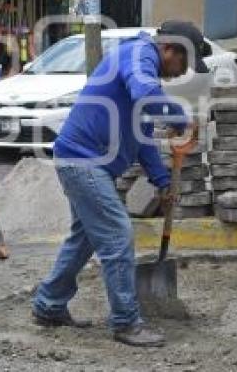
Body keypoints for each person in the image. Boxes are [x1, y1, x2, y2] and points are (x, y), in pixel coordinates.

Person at [32, 21, 211, 348]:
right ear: (169, 49)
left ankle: (49, 305)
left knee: (83, 239)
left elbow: (141, 138)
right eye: (183, 64)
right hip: (82, 161)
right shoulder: (138, 55)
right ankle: (126, 322)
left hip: (84, 161)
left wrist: (160, 180)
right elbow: (146, 96)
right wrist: (180, 119)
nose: (182, 72)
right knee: (117, 234)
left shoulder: (141, 65)